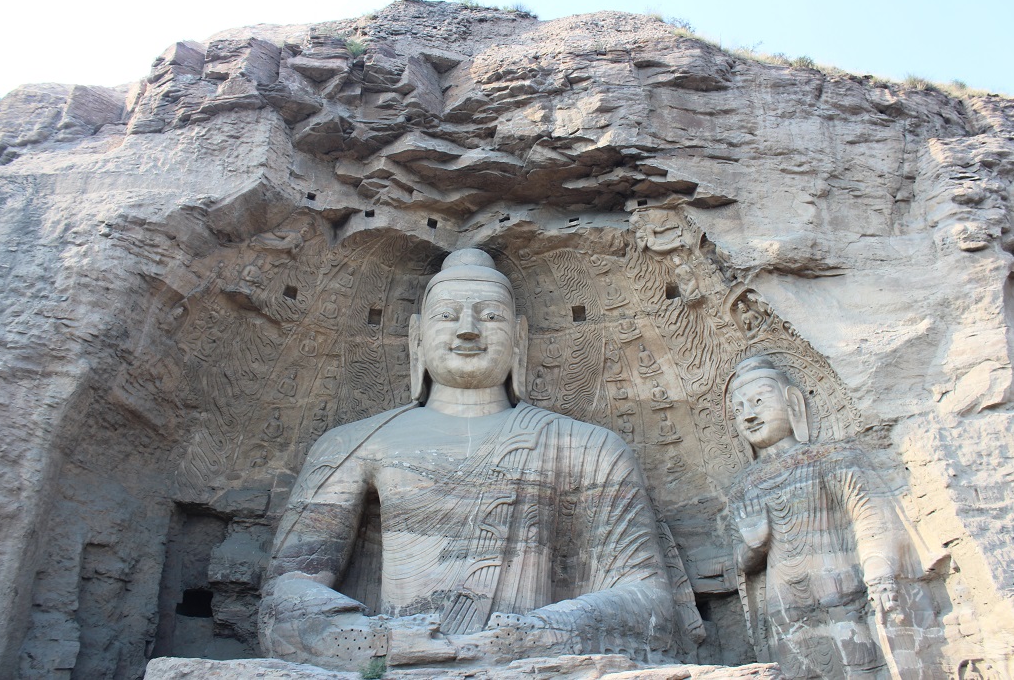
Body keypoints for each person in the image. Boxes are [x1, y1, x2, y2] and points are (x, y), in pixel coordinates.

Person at [259, 249, 696, 671]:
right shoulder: (354, 445)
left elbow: (649, 603)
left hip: (536, 659)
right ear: (416, 337)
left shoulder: (589, 447)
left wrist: (538, 632)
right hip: (394, 655)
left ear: (521, 337)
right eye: (447, 316)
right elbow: (286, 596)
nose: (468, 330)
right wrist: (381, 641)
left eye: (490, 317)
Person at [727, 356, 930, 679]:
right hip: (785, 608)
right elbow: (743, 563)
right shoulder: (744, 486)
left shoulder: (831, 457)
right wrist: (753, 547)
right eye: (738, 410)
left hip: (842, 590)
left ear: (793, 402)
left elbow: (868, 516)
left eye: (759, 401)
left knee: (865, 669)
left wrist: (879, 570)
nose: (748, 414)